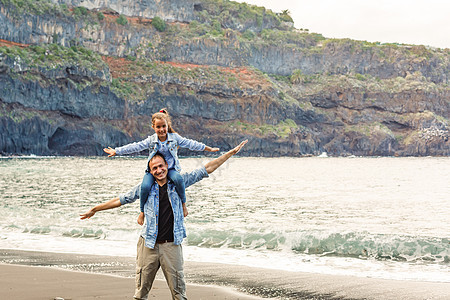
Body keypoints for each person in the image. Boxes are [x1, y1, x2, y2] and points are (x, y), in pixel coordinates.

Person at [80, 140, 247, 300]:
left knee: (179, 293)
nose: (159, 170)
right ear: (150, 171)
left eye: (161, 166)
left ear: (167, 166)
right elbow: (120, 200)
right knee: (140, 292)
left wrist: (230, 153)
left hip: (171, 245)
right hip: (148, 245)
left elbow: (207, 168)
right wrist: (95, 209)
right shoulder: (145, 188)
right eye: (154, 168)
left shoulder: (178, 184)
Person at [103, 108, 219, 225]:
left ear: (167, 125)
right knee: (144, 186)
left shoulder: (174, 138)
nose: (162, 130)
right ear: (153, 127)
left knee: (179, 180)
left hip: (170, 169)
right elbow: (135, 147)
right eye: (158, 127)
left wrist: (208, 148)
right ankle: (142, 212)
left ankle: (183, 204)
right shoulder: (151, 140)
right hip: (154, 170)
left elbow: (191, 144)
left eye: (164, 126)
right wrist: (117, 151)